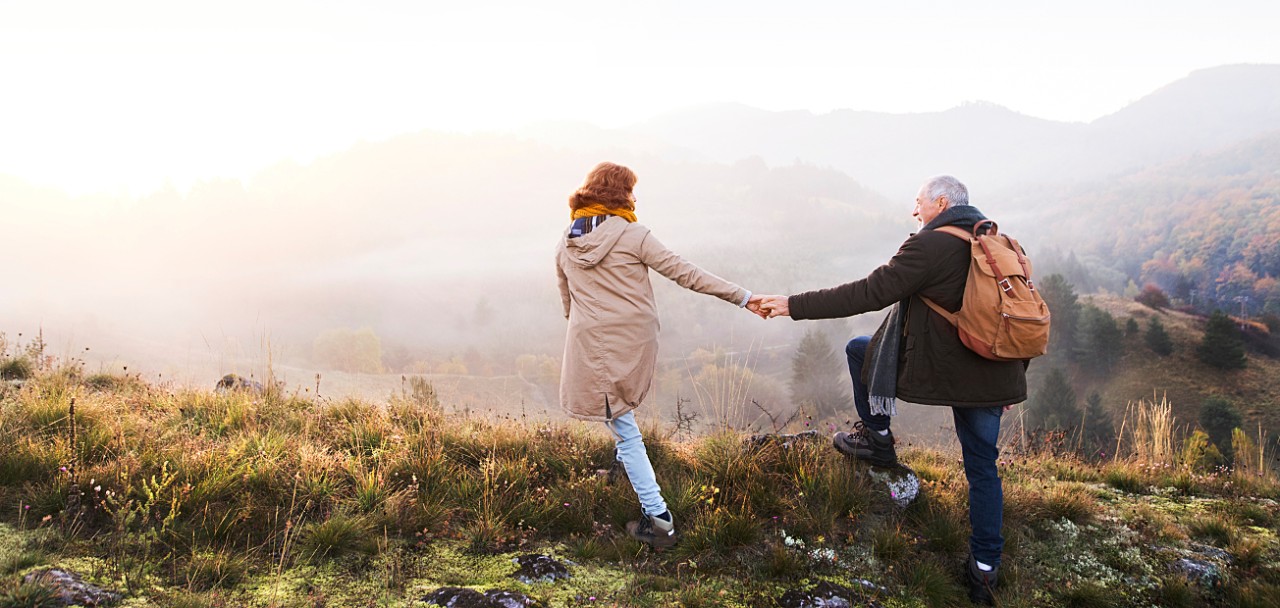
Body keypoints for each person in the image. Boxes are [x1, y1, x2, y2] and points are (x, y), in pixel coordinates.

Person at [756, 175, 1026, 605]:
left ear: (940, 203)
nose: (914, 211)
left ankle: (878, 440)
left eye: (918, 203)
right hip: (996, 371)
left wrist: (793, 305)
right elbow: (1019, 315)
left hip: (950, 369)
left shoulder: (930, 245)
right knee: (982, 467)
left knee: (860, 351)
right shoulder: (1001, 244)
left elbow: (867, 293)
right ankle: (986, 568)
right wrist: (1011, 374)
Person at [556, 161, 764, 549]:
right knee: (624, 424)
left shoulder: (566, 240)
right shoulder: (633, 235)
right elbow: (685, 272)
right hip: (631, 340)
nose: (635, 198)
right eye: (631, 191)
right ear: (618, 195)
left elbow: (568, 302)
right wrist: (744, 297)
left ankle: (640, 489)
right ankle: (661, 521)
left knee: (618, 417)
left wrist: (590, 334)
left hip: (590, 343)